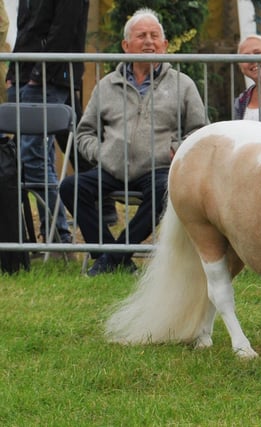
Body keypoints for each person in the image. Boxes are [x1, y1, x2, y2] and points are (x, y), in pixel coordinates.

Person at [59, 8, 207, 276]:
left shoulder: (182, 84)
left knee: (164, 192)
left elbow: (199, 131)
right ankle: (112, 257)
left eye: (154, 35)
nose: (148, 41)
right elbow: (84, 132)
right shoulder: (107, 85)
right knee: (71, 187)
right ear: (126, 46)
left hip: (159, 168)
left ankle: (114, 257)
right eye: (141, 35)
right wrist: (101, 153)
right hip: (112, 167)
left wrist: (178, 151)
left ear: (163, 45)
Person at [5, 0, 90, 244]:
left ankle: (58, 235)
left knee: (34, 157)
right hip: (24, 75)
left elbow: (64, 28)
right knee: (26, 160)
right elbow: (26, 29)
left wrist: (40, 74)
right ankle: (46, 234)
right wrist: (14, 74)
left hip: (47, 77)